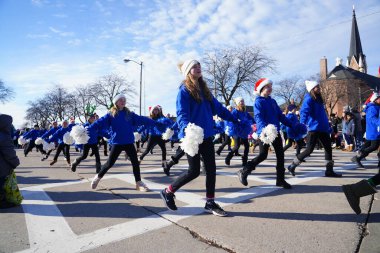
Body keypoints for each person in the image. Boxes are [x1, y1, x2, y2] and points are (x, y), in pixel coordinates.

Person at [160, 59, 238, 217]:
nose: (198, 68)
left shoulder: (205, 90)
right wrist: (187, 129)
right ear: (188, 71)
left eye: (199, 66)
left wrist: (235, 118)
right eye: (194, 66)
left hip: (207, 135)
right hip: (193, 136)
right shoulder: (184, 90)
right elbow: (182, 114)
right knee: (194, 171)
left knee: (211, 170)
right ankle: (168, 191)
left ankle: (210, 202)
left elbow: (219, 109)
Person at [88, 94, 161, 192]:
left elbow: (141, 119)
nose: (123, 101)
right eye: (120, 100)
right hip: (117, 142)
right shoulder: (111, 114)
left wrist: (153, 122)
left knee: (135, 162)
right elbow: (99, 122)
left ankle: (138, 183)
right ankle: (98, 177)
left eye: (124, 100)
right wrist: (88, 129)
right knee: (109, 163)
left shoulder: (129, 114)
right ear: (116, 102)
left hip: (129, 142)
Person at [237, 78, 300, 189]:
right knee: (263, 155)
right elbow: (258, 117)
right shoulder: (258, 102)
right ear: (261, 88)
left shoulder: (273, 101)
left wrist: (293, 125)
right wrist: (263, 131)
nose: (270, 88)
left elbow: (280, 116)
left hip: (275, 132)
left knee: (280, 155)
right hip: (265, 133)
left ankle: (280, 180)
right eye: (267, 86)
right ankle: (244, 171)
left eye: (271, 86)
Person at [287, 81, 342, 177]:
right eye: (316, 87)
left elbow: (323, 116)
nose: (318, 88)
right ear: (312, 89)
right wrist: (302, 125)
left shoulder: (319, 100)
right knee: (309, 150)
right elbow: (304, 112)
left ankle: (329, 171)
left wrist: (329, 128)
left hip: (322, 128)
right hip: (313, 128)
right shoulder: (309, 99)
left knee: (328, 148)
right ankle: (292, 165)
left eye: (318, 86)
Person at [351, 92, 380, 168]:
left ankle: (359, 155)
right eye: (379, 98)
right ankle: (358, 157)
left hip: (375, 130)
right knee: (374, 146)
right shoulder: (373, 108)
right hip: (374, 130)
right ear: (375, 100)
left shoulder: (376, 107)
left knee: (370, 145)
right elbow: (372, 118)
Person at [224, 97, 254, 166]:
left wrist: (255, 123)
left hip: (244, 131)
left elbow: (251, 118)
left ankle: (244, 161)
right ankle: (228, 157)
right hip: (236, 130)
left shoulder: (245, 111)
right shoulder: (235, 111)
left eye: (243, 101)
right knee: (237, 146)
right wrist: (237, 121)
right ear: (237, 103)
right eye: (241, 101)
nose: (242, 102)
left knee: (247, 146)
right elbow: (231, 119)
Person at [0, 114, 21, 209]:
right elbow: (9, 153)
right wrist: (15, 162)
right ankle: (2, 202)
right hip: (2, 166)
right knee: (1, 184)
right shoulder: (4, 136)